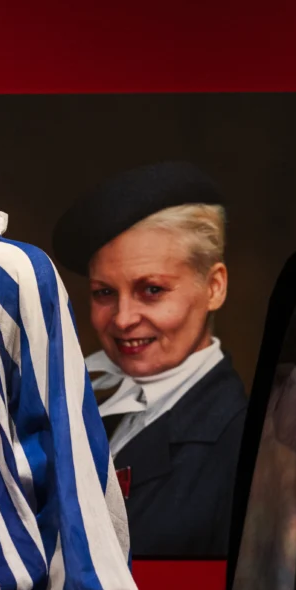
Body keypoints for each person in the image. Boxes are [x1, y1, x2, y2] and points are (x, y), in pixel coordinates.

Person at [53, 160, 247, 558]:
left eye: (152, 290)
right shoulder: (83, 405)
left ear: (214, 287)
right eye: (104, 293)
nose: (123, 319)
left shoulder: (241, 444)